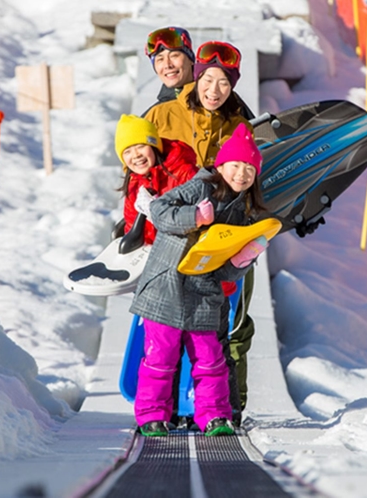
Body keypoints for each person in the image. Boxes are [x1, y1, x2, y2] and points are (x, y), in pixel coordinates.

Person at [130, 124, 269, 437]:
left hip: (204, 292)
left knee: (210, 359)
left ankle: (215, 417)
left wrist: (241, 261)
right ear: (220, 166)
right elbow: (160, 209)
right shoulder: (200, 187)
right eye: (236, 165)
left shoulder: (243, 211)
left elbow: (223, 270)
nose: (242, 174)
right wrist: (194, 216)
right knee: (160, 358)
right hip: (166, 285)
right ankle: (152, 416)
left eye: (249, 169)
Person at [145, 40, 252, 167]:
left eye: (223, 83)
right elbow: (135, 161)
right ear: (197, 80)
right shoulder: (159, 115)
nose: (213, 90)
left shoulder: (241, 127)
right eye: (207, 80)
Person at [114, 114, 198, 243]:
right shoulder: (135, 184)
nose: (136, 155)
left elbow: (200, 216)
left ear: (154, 146)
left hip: (182, 250)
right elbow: (131, 226)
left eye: (141, 146)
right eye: (127, 151)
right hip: (150, 254)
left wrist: (159, 210)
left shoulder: (183, 173)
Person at [143, 27, 254, 119]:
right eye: (160, 60)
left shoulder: (221, 99)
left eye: (174, 56)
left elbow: (260, 137)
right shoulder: (155, 116)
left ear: (191, 60)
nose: (168, 65)